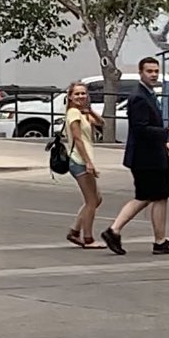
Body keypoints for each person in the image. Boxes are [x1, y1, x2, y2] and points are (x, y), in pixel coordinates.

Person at [102, 58, 169, 256]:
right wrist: (168, 131)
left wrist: (163, 141)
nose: (153, 75)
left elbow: (148, 128)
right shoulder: (139, 97)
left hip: (151, 154)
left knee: (154, 196)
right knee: (150, 196)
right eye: (149, 71)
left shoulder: (147, 94)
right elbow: (140, 129)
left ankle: (154, 239)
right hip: (146, 158)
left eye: (156, 71)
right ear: (140, 73)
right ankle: (118, 231)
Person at [64, 81, 105, 249]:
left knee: (96, 199)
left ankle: (74, 231)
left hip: (83, 160)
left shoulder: (82, 113)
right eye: (77, 94)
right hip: (79, 161)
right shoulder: (73, 113)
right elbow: (78, 139)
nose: (81, 96)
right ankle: (88, 238)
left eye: (83, 93)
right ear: (70, 97)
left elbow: (101, 123)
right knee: (91, 201)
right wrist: (88, 162)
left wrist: (90, 110)